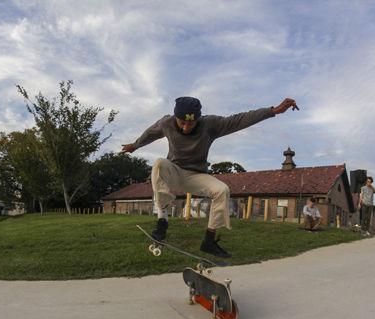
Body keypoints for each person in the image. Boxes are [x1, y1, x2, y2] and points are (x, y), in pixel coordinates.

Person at [122, 96, 299, 257]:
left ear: (198, 119)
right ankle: (162, 221)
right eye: (182, 122)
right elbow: (150, 133)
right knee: (159, 164)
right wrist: (135, 145)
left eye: (190, 124)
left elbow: (239, 120)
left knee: (222, 190)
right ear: (176, 117)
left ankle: (209, 240)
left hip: (196, 176)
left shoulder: (210, 124)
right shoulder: (167, 123)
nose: (185, 127)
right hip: (174, 171)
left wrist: (273, 111)